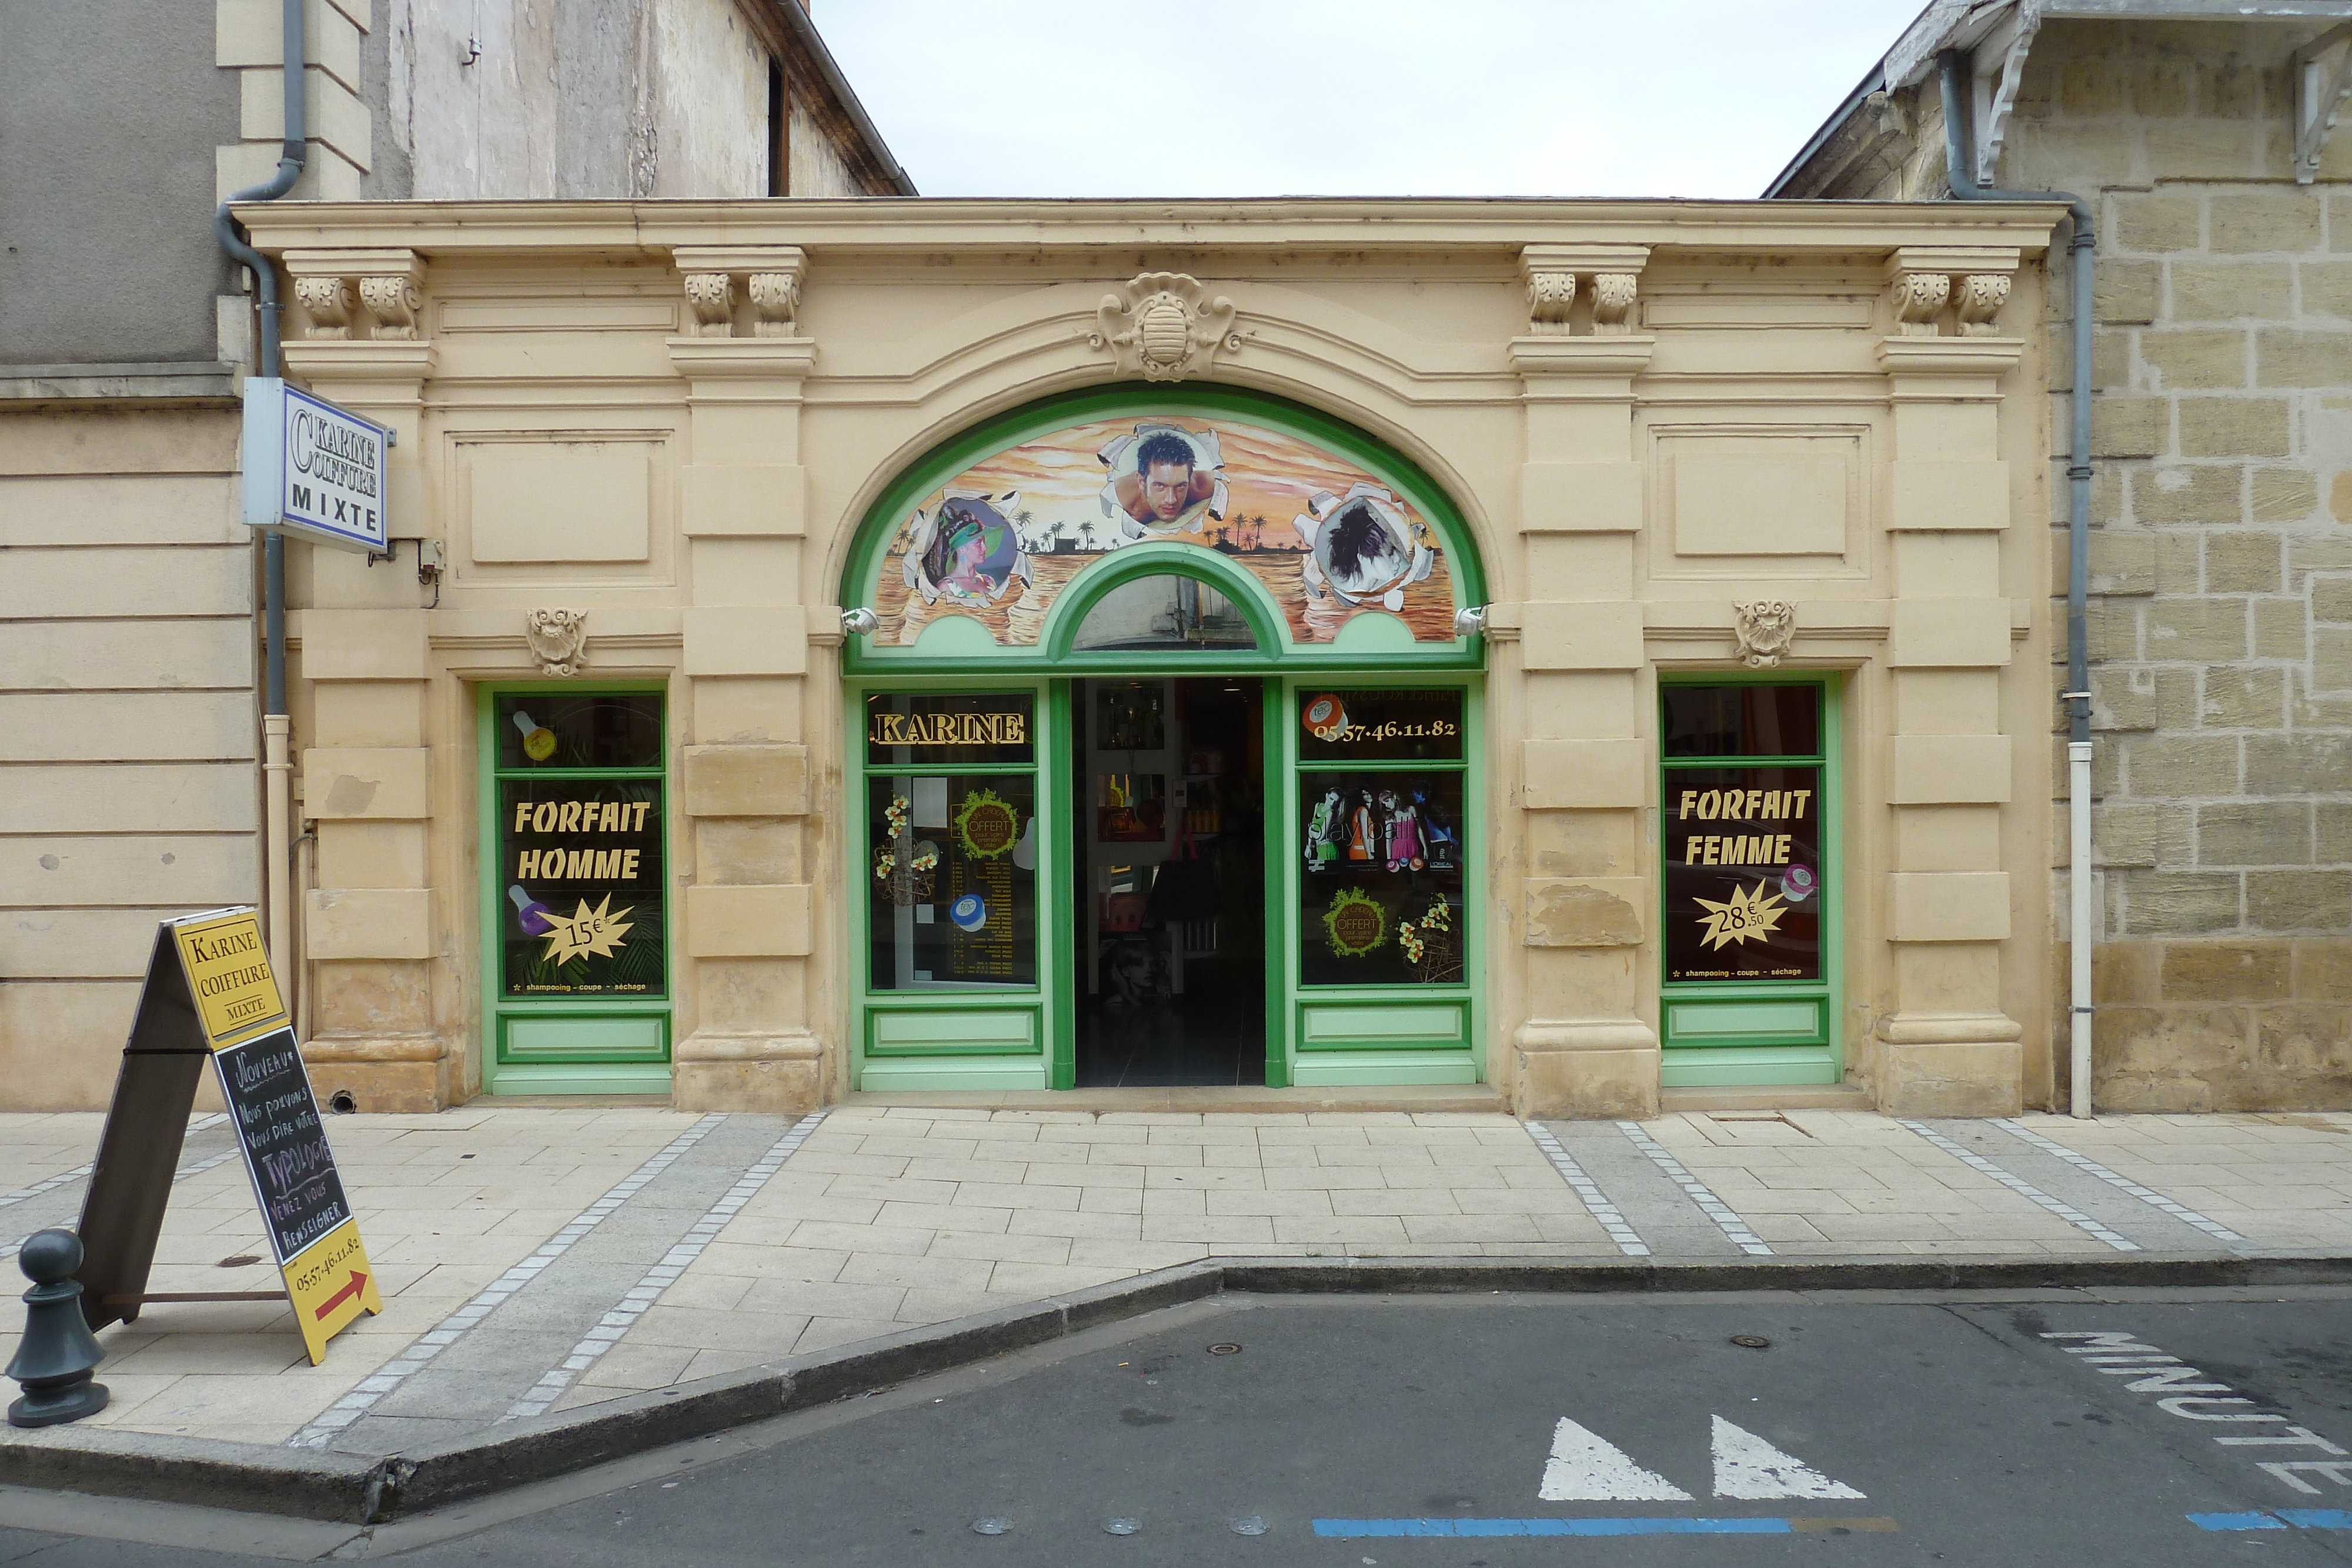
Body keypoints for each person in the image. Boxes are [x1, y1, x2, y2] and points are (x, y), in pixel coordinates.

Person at [1111, 430, 1218, 530]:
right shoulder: (1121, 500)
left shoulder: (1201, 486)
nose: (1171, 500)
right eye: (1160, 486)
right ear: (1141, 482)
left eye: (1180, 486)